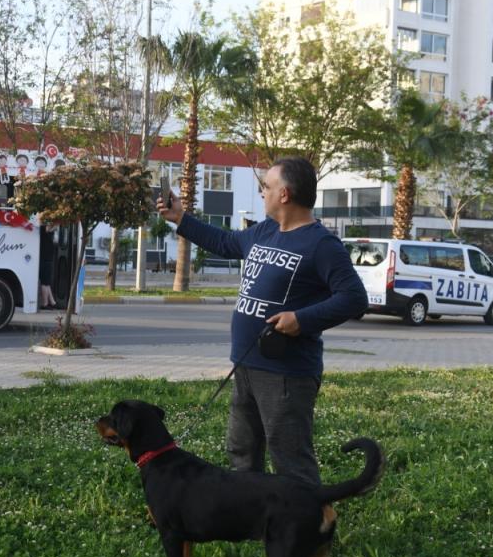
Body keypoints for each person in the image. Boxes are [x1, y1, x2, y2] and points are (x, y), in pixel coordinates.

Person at [157, 156, 367, 487]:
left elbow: (354, 297)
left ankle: (310, 533)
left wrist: (301, 319)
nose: (262, 193)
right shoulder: (266, 230)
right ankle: (252, 519)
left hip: (287, 373)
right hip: (246, 363)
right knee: (242, 451)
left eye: (266, 187)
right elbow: (226, 243)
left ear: (284, 194)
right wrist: (181, 218)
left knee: (291, 460)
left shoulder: (321, 244)